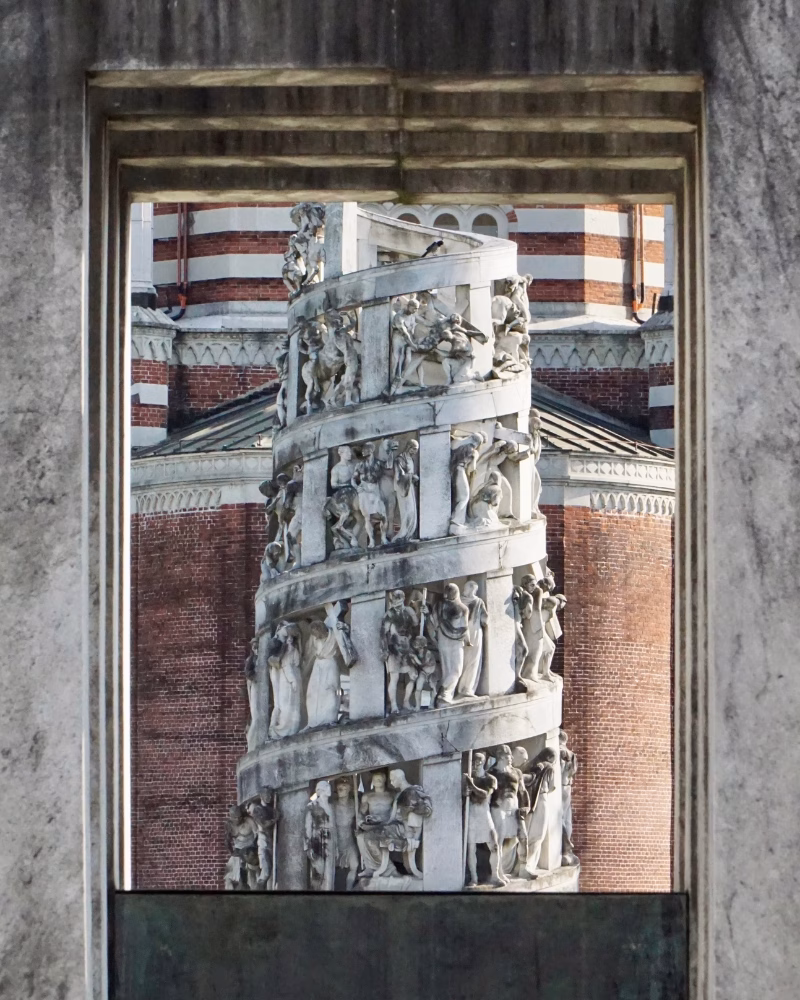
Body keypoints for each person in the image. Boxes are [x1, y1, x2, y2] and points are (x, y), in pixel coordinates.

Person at [464, 752, 506, 887]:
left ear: (483, 763)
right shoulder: (467, 778)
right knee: (471, 849)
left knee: (494, 845)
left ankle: (495, 875)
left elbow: (484, 795)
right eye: (474, 763)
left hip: (484, 816)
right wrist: (464, 792)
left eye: (479, 762)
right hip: (471, 817)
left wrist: (472, 785)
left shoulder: (490, 779)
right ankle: (474, 878)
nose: (475, 765)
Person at [435, 583, 470, 705]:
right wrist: (469, 641)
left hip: (442, 641)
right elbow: (465, 628)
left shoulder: (439, 606)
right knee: (456, 670)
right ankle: (444, 692)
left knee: (447, 669)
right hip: (455, 642)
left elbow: (434, 623)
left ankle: (446, 694)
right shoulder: (463, 608)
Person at [331, 777, 360, 890]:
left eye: (344, 787)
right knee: (331, 868)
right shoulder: (333, 805)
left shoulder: (354, 804)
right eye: (339, 787)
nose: (341, 789)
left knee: (355, 865)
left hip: (349, 842)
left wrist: (359, 828)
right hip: (336, 841)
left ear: (349, 789)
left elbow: (360, 819)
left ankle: (348, 890)